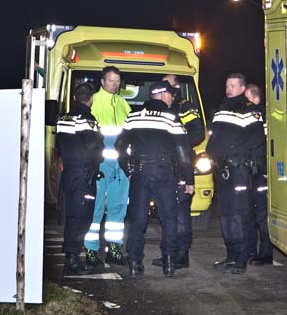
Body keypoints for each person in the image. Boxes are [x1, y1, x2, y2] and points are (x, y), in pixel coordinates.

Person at [115, 80, 194, 277]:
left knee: (138, 219)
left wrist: (129, 168)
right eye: (170, 94)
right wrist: (189, 180)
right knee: (169, 218)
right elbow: (183, 152)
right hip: (165, 173)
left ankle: (134, 262)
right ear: (160, 95)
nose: (172, 97)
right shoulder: (171, 118)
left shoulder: (133, 117)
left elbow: (119, 146)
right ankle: (169, 262)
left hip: (140, 173)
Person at [206, 73, 265, 275]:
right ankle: (230, 256)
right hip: (223, 170)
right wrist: (212, 154)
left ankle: (240, 259)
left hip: (239, 169)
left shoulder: (250, 110)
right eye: (227, 85)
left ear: (242, 88)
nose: (229, 89)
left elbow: (256, 138)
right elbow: (214, 139)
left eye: (233, 85)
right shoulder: (221, 109)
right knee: (227, 216)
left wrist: (235, 154)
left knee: (240, 215)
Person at [151, 74, 206, 270]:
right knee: (168, 212)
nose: (164, 89)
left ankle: (181, 255)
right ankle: (170, 253)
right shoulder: (162, 107)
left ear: (176, 87)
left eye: (168, 85)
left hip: (181, 165)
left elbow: (198, 133)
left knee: (181, 213)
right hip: (164, 167)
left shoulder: (185, 107)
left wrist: (177, 144)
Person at [56, 82, 104, 276]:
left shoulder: (64, 117)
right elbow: (94, 145)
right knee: (82, 218)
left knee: (72, 216)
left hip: (69, 172)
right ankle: (73, 258)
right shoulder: (87, 118)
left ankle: (71, 256)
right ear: (90, 99)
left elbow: (59, 144)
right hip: (84, 175)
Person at [86, 66, 131, 269]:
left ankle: (114, 249)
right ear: (102, 82)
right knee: (95, 210)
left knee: (118, 209)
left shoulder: (123, 104)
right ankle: (91, 250)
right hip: (100, 166)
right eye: (111, 80)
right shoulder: (93, 101)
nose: (115, 84)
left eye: (117, 81)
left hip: (120, 168)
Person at [244, 83, 272, 265]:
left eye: (246, 97)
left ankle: (265, 254)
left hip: (261, 172)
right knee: (251, 214)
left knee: (262, 215)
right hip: (254, 171)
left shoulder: (259, 116)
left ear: (256, 99)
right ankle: (252, 252)